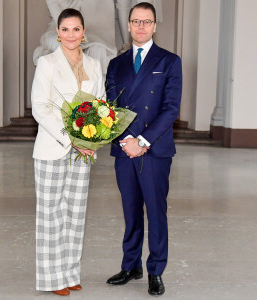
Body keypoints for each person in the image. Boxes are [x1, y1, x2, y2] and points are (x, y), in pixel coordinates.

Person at [105, 2, 182, 297]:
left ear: (154, 26)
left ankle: (156, 271)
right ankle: (131, 265)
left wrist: (143, 142)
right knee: (130, 211)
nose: (140, 27)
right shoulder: (116, 63)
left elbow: (170, 108)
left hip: (154, 149)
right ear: (128, 25)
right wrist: (126, 140)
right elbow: (110, 107)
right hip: (125, 149)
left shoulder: (170, 61)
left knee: (156, 211)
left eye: (146, 22)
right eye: (136, 21)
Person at [31, 8, 104, 296]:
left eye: (76, 29)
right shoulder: (46, 64)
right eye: (66, 29)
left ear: (83, 32)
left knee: (75, 214)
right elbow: (41, 107)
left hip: (83, 151)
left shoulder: (95, 65)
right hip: (52, 148)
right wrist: (69, 137)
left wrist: (90, 137)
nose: (71, 34)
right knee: (51, 215)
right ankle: (52, 280)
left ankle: (69, 272)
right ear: (57, 33)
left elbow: (100, 105)